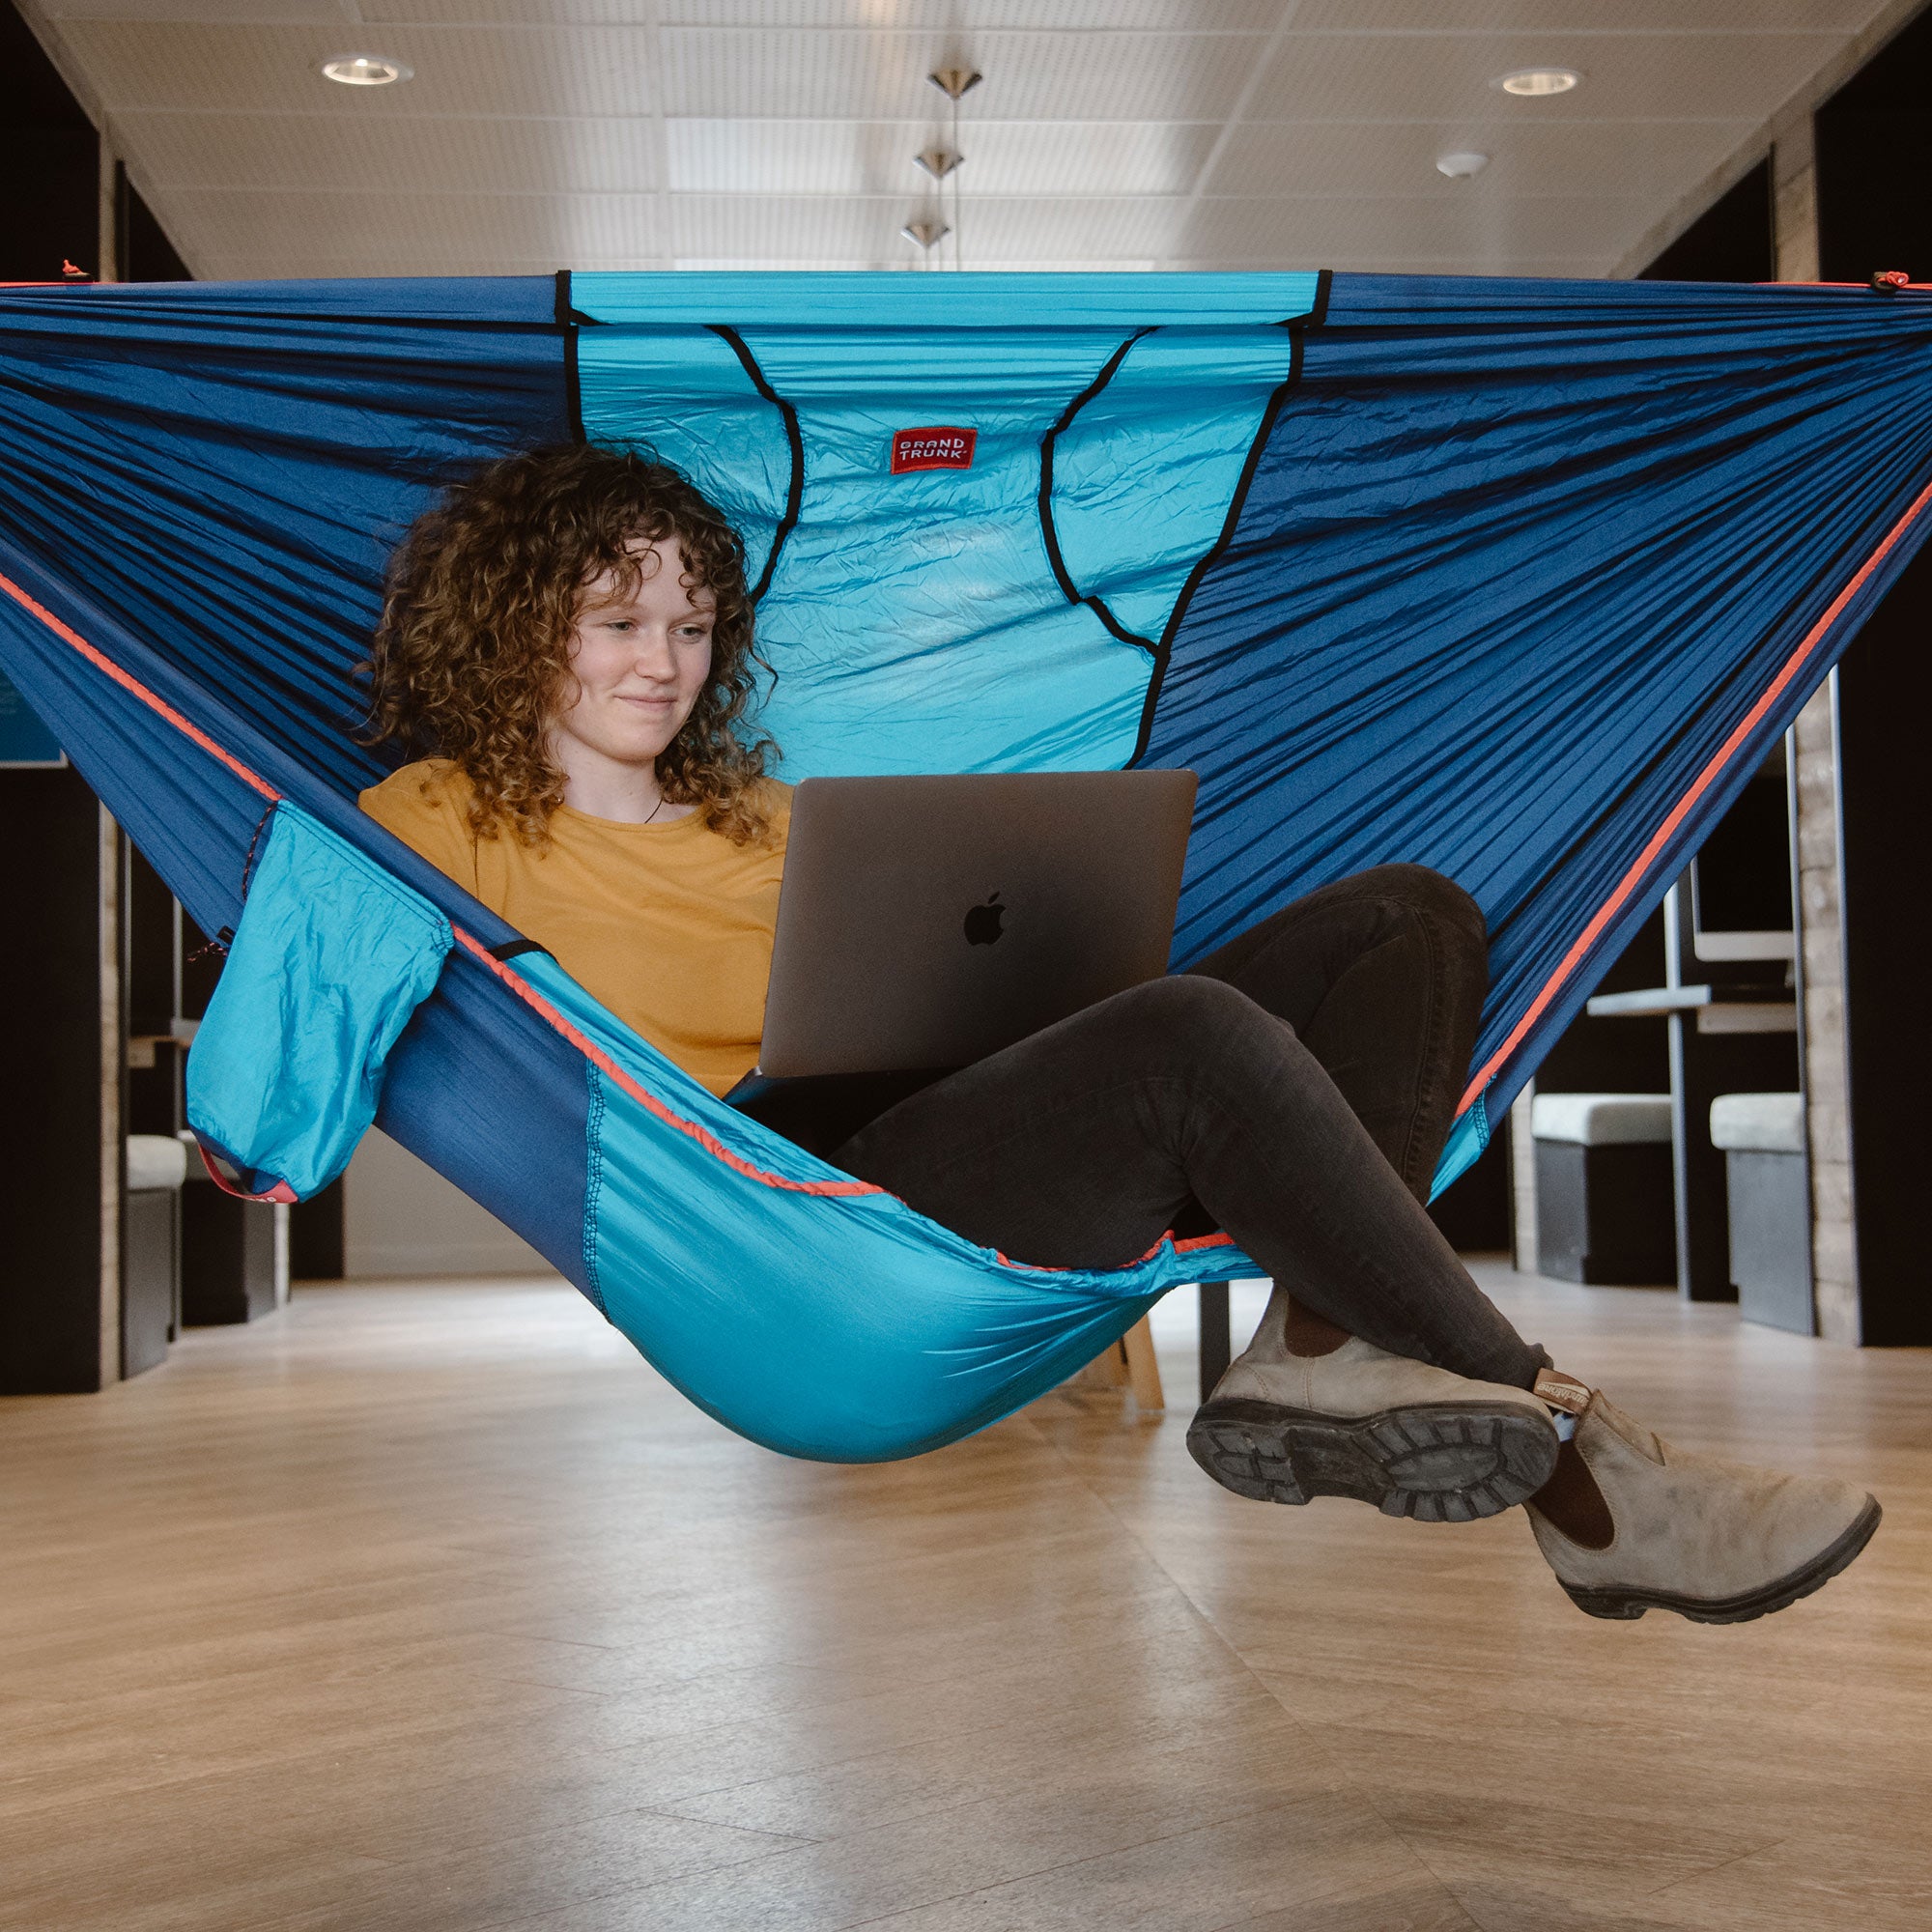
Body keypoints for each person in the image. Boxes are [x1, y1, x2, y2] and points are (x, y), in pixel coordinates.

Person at [360, 442, 1879, 1626]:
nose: (663, 660)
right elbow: (325, 971)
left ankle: (1322, 1341)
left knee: (1409, 918)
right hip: (785, 1214)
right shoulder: (435, 823)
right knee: (1187, 1040)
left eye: (692, 624)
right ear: (510, 629)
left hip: (961, 1120)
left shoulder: (768, 815)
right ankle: (1592, 1473)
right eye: (618, 620)